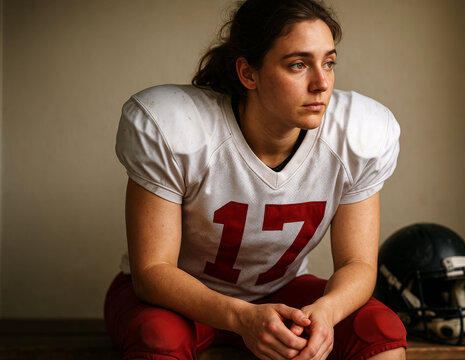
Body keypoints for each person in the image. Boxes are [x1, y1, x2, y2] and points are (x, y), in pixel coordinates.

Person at [104, 0, 408, 359]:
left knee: (379, 330)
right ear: (248, 74)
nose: (321, 83)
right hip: (177, 300)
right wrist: (242, 317)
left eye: (328, 62)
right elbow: (152, 271)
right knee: (158, 337)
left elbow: (357, 264)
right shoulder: (177, 127)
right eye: (298, 64)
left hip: (280, 292)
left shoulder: (356, 134)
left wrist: (326, 312)